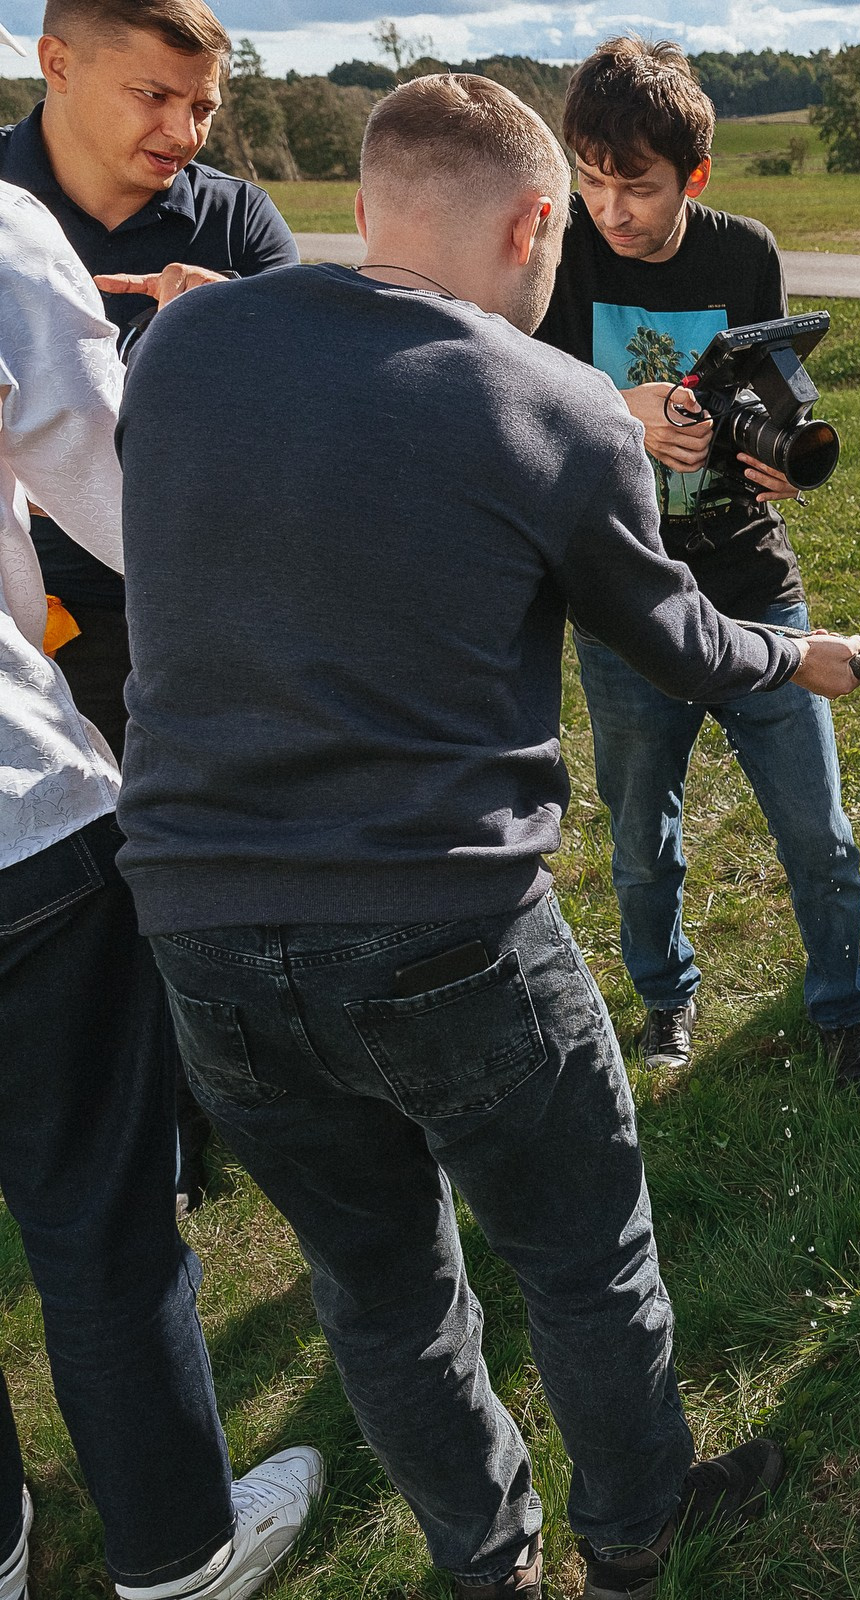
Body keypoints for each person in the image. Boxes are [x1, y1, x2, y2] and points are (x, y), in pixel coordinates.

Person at [114, 76, 844, 1599]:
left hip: (198, 925)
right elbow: (690, 646)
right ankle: (637, 1532)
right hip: (442, 921)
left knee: (377, 1286)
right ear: (531, 222)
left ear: (370, 202)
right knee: (581, 1253)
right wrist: (805, 658)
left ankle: (482, 1561)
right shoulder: (558, 404)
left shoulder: (185, 346)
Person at [0, 175, 320, 1600]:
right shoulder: (7, 236)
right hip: (17, 822)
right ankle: (181, 1548)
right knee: (101, 1211)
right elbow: (122, 499)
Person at [530, 36, 860, 1090]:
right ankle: (665, 997)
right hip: (625, 592)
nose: (607, 207)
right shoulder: (558, 259)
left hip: (752, 581)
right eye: (587, 179)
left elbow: (773, 383)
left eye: (632, 186)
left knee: (818, 828)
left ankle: (842, 1009)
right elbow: (519, 405)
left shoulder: (743, 253)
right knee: (643, 840)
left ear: (695, 176)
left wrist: (789, 450)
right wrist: (621, 416)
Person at [3, 0, 296, 759]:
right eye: (154, 96)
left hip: (201, 605)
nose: (184, 133)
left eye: (202, 106)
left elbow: (299, 434)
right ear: (57, 64)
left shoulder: (241, 223)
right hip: (21, 615)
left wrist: (236, 337)